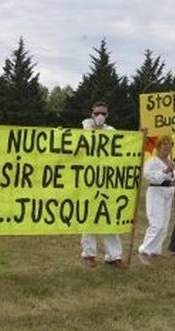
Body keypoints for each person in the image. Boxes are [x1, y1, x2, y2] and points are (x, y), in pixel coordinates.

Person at [80, 101, 124, 269]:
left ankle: (114, 256)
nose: (100, 116)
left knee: (109, 217)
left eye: (103, 113)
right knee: (89, 217)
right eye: (97, 112)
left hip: (107, 181)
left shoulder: (111, 131)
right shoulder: (84, 128)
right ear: (92, 113)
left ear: (107, 115)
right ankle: (89, 254)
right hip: (88, 180)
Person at [138, 135, 175, 265]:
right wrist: (166, 170)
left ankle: (155, 250)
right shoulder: (152, 161)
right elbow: (152, 178)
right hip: (156, 192)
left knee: (164, 225)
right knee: (156, 224)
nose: (167, 147)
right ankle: (144, 251)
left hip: (168, 194)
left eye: (169, 144)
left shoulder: (171, 161)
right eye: (164, 144)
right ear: (158, 147)